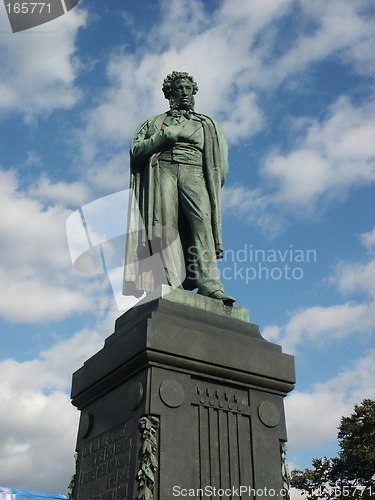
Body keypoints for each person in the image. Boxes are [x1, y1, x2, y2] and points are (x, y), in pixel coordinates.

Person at [123, 71, 235, 305]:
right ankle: (170, 283)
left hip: (194, 173)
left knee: (201, 224)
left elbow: (220, 165)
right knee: (165, 227)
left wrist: (209, 183)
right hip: (162, 170)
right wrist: (163, 137)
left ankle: (210, 285)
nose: (184, 93)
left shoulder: (207, 124)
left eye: (188, 89)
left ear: (193, 93)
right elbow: (135, 152)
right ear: (170, 94)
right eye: (179, 89)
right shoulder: (153, 123)